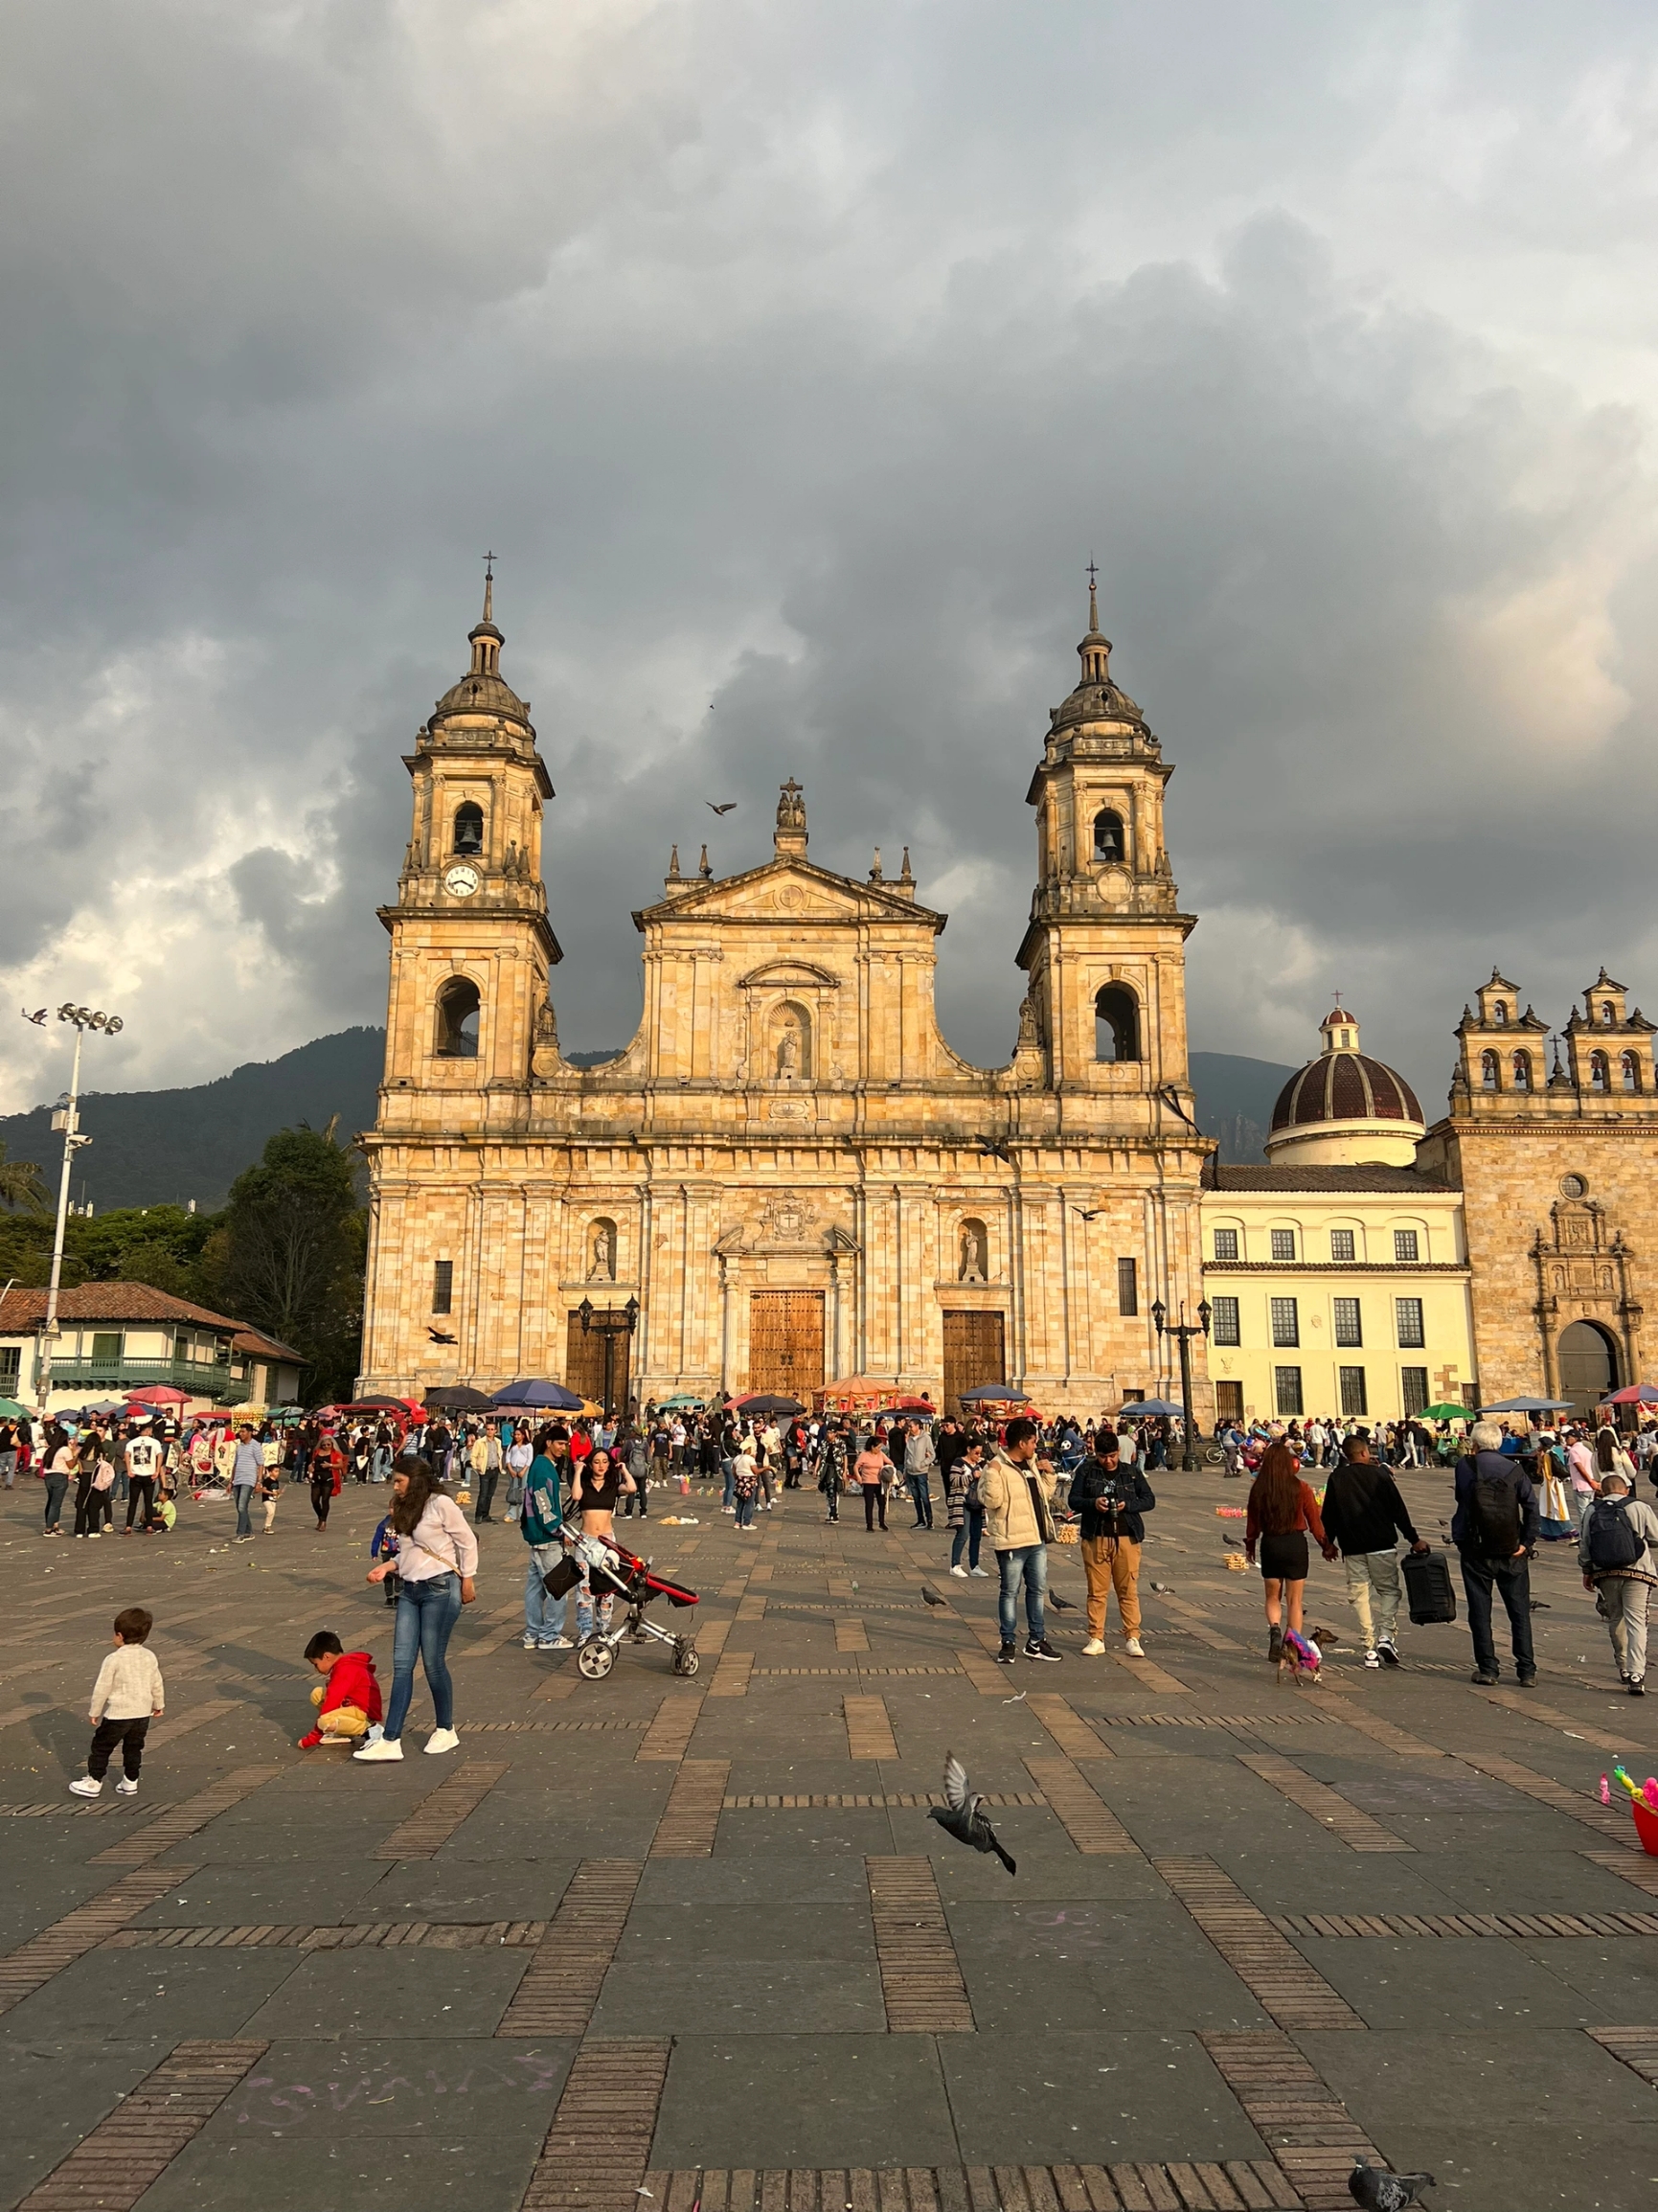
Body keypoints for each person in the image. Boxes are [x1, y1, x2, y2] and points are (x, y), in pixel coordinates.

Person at [356, 1457, 478, 1762]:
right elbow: (407, 1553)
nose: (395, 1486)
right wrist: (388, 1565)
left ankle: (446, 1729)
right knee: (401, 1664)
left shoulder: (440, 1504)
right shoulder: (404, 1508)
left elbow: (467, 1541)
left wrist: (468, 1579)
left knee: (433, 1663)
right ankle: (391, 1738)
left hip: (440, 1588)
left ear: (415, 1479)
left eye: (399, 1480)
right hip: (410, 1591)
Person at [1319, 1434, 1428, 1669]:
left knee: (1359, 1596)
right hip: (1382, 1546)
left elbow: (1329, 1515)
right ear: (1364, 1453)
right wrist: (1414, 1539)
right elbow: (1398, 1510)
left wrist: (1328, 1544)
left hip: (1353, 1548)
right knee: (1388, 1591)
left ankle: (1369, 1648)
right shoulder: (1380, 1475)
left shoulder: (1337, 1477)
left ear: (1346, 1455)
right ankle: (1386, 1635)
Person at [1453, 1419, 1539, 1688]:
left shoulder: (1465, 1467)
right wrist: (1526, 1541)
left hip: (1476, 1548)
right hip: (1512, 1549)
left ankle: (1488, 1668)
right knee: (1519, 1612)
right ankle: (1526, 1671)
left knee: (1480, 1610)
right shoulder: (1514, 1471)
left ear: (1475, 1444)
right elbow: (1532, 1508)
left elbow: (1461, 1499)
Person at [980, 1416, 1060, 1665]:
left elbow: (1041, 1498)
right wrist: (992, 1474)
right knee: (1010, 1592)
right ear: (1022, 1442)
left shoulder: (1031, 1464)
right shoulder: (996, 1467)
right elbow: (991, 1501)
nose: (1036, 1446)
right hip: (1012, 1541)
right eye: (1034, 1442)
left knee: (1037, 1591)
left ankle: (1036, 1641)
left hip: (1036, 1539)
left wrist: (1049, 1476)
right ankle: (1008, 1642)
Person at [1068, 1431, 1155, 1656]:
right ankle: (1096, 1636)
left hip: (1127, 1537)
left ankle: (1133, 1637)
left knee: (1128, 1589)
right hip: (1096, 1536)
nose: (1108, 1461)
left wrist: (1129, 1504)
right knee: (1096, 1591)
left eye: (1112, 1456)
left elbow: (1149, 1499)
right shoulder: (1087, 1471)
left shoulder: (1131, 1472)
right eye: (1103, 1456)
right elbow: (1073, 1500)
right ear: (1095, 1453)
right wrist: (1093, 1503)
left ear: (1119, 1452)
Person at [1244, 1439, 1328, 1663]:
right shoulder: (1301, 1487)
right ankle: (1293, 1644)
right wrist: (1325, 1545)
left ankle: (1274, 1629)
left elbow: (1253, 1523)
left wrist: (1250, 1545)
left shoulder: (1259, 1488)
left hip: (1271, 1544)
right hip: (1295, 1544)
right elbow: (1314, 1522)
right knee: (1295, 1601)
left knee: (1272, 1596)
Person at [1579, 1464, 1658, 1695]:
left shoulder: (1592, 1510)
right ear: (1625, 1489)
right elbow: (1655, 1537)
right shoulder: (1639, 1507)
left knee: (1615, 1619)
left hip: (1605, 1573)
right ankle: (1636, 1673)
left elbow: (1585, 1544)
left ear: (1602, 1491)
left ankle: (1622, 1666)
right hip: (1638, 1572)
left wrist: (1587, 1570)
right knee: (1637, 1622)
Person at [70, 1607, 163, 1798]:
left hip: (118, 1715)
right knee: (134, 1747)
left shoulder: (113, 1659)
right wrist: (158, 1704)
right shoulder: (149, 1656)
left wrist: (95, 1711)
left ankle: (94, 1781)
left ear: (119, 1636)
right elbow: (156, 1682)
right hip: (142, 1714)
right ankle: (130, 1781)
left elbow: (102, 1688)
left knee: (101, 1746)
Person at [570, 1445, 636, 1640]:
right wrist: (578, 1471)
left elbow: (631, 1488)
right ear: (590, 1464)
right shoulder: (584, 1483)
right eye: (596, 1462)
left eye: (605, 1462)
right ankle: (585, 1631)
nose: (601, 1465)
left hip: (607, 1542)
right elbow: (575, 1496)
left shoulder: (612, 1486)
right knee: (583, 1589)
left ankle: (603, 1629)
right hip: (585, 1541)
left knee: (607, 1588)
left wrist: (623, 1469)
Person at [519, 1442, 573, 1651]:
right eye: (560, 1444)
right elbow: (543, 1503)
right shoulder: (543, 1468)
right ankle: (550, 1634)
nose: (563, 1448)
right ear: (549, 1443)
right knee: (558, 1587)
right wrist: (558, 1529)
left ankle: (532, 1633)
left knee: (535, 1588)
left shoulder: (541, 1465)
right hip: (546, 1538)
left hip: (537, 1537)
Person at [298, 1631, 383, 1746]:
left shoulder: (344, 1670)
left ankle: (369, 1729)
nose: (315, 1669)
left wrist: (312, 1738)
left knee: (325, 1722)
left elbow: (331, 1703)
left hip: (363, 1710)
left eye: (316, 1664)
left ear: (326, 1656)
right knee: (317, 1694)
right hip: (354, 1705)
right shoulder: (344, 1665)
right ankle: (342, 1730)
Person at [946, 1440, 988, 1576]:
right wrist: (972, 1476)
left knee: (976, 1535)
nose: (978, 1455)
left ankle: (974, 1566)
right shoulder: (958, 1462)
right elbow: (953, 1480)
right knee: (963, 1534)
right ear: (968, 1449)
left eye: (980, 1453)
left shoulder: (981, 1464)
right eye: (976, 1452)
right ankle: (955, 1565)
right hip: (962, 1502)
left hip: (977, 1502)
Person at [854, 1434, 893, 1532]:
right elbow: (856, 1466)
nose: (879, 1449)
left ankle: (882, 1522)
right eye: (878, 1447)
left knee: (882, 1503)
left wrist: (887, 1471)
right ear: (872, 1447)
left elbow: (890, 1463)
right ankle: (869, 1525)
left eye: (881, 1447)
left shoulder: (881, 1455)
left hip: (879, 1482)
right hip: (868, 1482)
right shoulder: (864, 1455)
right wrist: (858, 1477)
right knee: (869, 1504)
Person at [230, 1425, 261, 1541]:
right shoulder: (239, 1447)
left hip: (249, 1479)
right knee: (240, 1507)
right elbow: (235, 1464)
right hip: (238, 1479)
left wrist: (259, 1481)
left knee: (242, 1506)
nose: (241, 1434)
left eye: (243, 1432)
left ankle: (240, 1534)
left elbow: (261, 1464)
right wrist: (230, 1481)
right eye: (240, 1432)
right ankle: (249, 1531)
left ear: (249, 1433)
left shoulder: (255, 1445)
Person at [905, 1420, 936, 1531]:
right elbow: (906, 1455)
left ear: (918, 1426)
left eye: (911, 1426)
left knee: (924, 1497)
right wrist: (906, 1469)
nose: (910, 1428)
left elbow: (932, 1455)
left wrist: (923, 1463)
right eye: (909, 1426)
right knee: (916, 1498)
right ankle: (920, 1520)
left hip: (921, 1472)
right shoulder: (909, 1439)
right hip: (910, 1471)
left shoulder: (926, 1438)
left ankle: (929, 1520)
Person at [370, 1508, 401, 1606]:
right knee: (387, 1574)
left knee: (399, 1575)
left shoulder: (404, 1523)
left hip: (399, 1552)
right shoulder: (384, 1523)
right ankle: (389, 1596)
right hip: (387, 1552)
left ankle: (398, 1595)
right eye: (392, 1508)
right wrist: (374, 1552)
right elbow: (377, 1538)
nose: (394, 1510)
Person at [732, 1438, 760, 1530]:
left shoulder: (737, 1458)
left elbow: (733, 1471)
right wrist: (766, 1468)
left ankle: (737, 1522)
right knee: (749, 1503)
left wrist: (738, 1477)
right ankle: (746, 1522)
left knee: (740, 1502)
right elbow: (756, 1471)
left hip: (739, 1481)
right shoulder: (750, 1459)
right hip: (749, 1481)